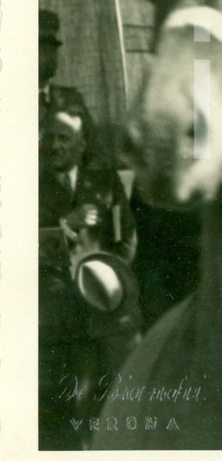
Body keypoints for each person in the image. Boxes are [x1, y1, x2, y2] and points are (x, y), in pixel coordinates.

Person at [39, 106, 140, 450]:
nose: (53, 145)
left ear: (82, 145)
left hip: (106, 310)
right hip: (57, 315)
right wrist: (66, 224)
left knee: (120, 394)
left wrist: (112, 278)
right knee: (72, 405)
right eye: (48, 137)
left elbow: (125, 234)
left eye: (63, 138)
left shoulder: (104, 180)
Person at [39, 9, 105, 167]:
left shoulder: (71, 98)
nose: (49, 55)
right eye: (41, 48)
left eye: (53, 48)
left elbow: (96, 154)